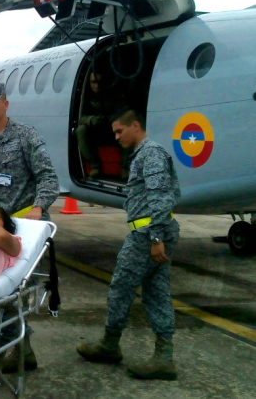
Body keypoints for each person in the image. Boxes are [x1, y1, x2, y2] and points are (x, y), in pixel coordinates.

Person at [76, 107, 181, 381]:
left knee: (121, 288)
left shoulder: (151, 154)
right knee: (156, 292)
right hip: (153, 231)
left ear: (135, 126)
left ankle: (110, 345)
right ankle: (164, 357)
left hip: (147, 234)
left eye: (120, 131)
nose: (117, 137)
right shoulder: (143, 155)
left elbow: (160, 196)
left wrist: (156, 238)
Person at [0, 82, 59, 379]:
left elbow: (48, 177)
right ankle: (24, 352)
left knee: (15, 291)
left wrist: (39, 206)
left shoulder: (25, 136)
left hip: (26, 226)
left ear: (5, 104)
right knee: (4, 290)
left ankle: (1, 355)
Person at [76, 72, 113, 178]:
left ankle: (125, 168)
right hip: (95, 132)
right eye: (93, 82)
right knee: (81, 130)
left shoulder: (112, 95)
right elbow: (79, 117)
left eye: (100, 82)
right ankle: (95, 166)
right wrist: (92, 119)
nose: (97, 86)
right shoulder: (85, 96)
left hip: (112, 130)